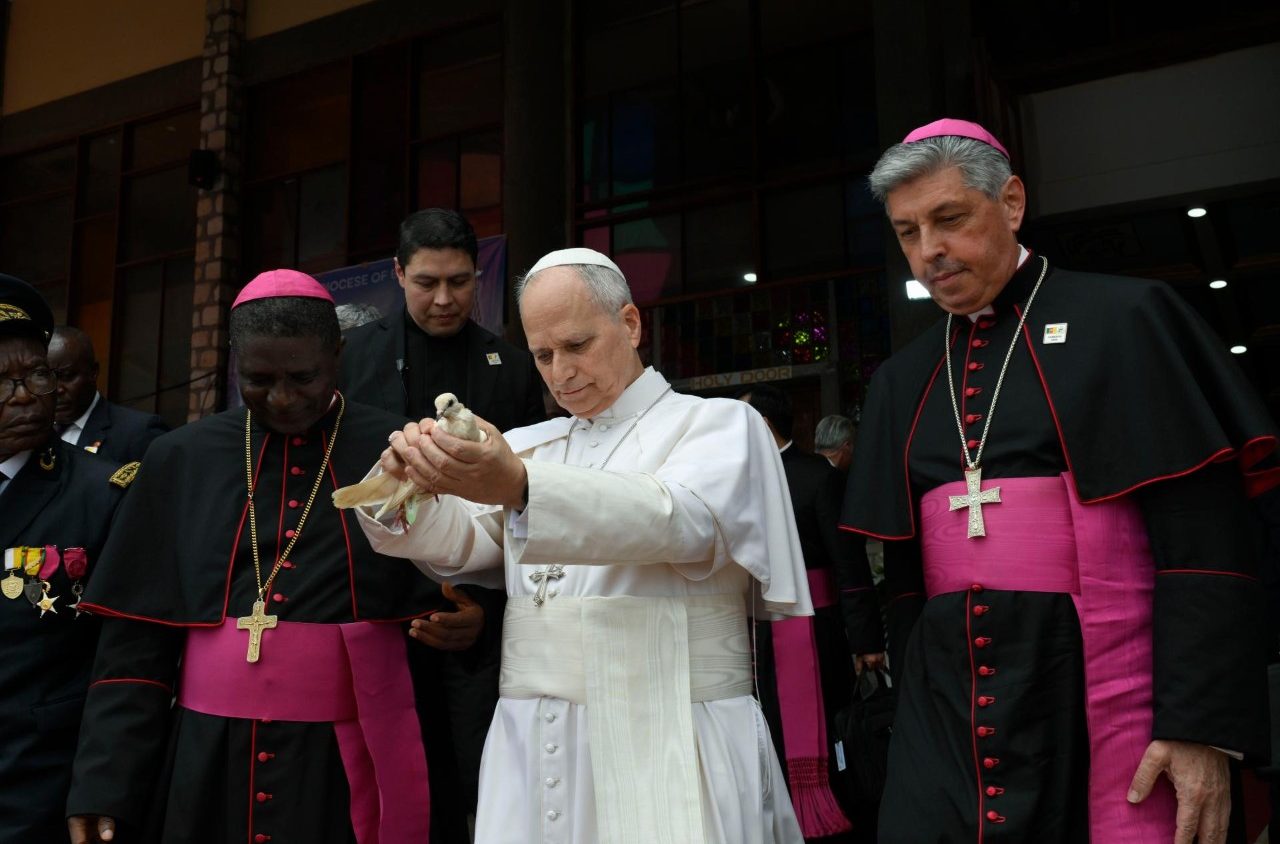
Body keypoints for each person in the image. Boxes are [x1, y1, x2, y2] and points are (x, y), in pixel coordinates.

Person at [840, 118, 1275, 843]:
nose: (929, 252)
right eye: (908, 232)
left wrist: (1199, 724)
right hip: (948, 707)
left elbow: (1204, 541)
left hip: (1096, 684)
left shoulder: (1126, 319)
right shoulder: (900, 380)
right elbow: (910, 579)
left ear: (1010, 203)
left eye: (950, 220)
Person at [356, 247, 812, 844]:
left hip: (674, 728)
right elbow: (461, 544)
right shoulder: (530, 444)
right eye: (542, 355)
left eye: (576, 346)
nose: (559, 371)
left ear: (629, 324)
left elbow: (682, 520)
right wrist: (402, 489)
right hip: (531, 734)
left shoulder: (719, 425)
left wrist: (520, 487)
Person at [66, 270, 484, 844]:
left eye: (302, 376)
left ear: (337, 354)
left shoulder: (401, 450)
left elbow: (470, 569)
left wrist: (474, 616)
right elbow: (136, 644)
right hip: (208, 761)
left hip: (349, 760)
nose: (282, 397)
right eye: (258, 379)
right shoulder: (179, 459)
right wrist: (104, 782)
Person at [338, 208, 542, 837]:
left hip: (474, 618)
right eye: (427, 282)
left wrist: (483, 605)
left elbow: (527, 505)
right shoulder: (354, 361)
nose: (446, 299)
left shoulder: (509, 367)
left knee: (476, 781)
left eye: (459, 281)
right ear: (397, 274)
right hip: (371, 603)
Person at [0, 274, 130, 842]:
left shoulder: (104, 494)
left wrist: (105, 784)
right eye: (2, 382)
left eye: (37, 375)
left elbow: (125, 662)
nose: (26, 395)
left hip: (38, 787)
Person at [737, 384, 884, 842]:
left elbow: (848, 561)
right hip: (752, 630)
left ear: (763, 423)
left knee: (826, 727)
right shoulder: (735, 479)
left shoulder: (817, 475)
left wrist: (864, 640)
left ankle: (829, 818)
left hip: (816, 629)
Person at [48, 325, 169, 462]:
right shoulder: (34, 432)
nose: (56, 389)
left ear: (93, 372)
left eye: (67, 376)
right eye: (46, 377)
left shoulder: (140, 432)